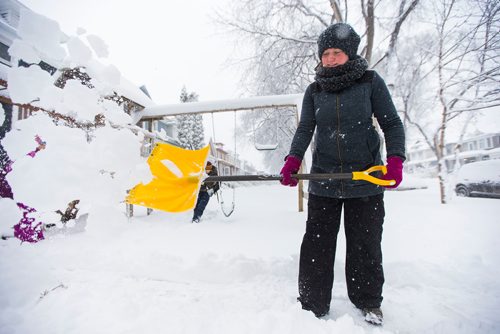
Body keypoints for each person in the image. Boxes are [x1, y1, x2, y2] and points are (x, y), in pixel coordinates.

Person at [279, 23, 405, 325]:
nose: (331, 58)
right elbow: (305, 129)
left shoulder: (370, 82)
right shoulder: (314, 90)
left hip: (365, 179)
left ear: (349, 54)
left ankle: (368, 302)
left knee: (365, 244)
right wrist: (293, 159)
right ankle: (312, 303)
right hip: (324, 181)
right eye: (326, 53)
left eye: (337, 52)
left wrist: (396, 159)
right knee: (317, 244)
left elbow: (392, 123)